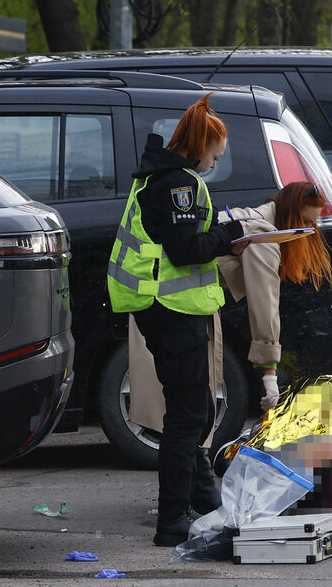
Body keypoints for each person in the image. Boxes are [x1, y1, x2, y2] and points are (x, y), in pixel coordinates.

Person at [106, 95, 247, 546]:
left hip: (163, 307)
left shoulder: (159, 178)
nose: (214, 165)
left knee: (198, 409)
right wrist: (232, 234)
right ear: (200, 146)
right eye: (215, 156)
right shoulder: (177, 185)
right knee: (187, 416)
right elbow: (186, 250)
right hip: (169, 309)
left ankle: (203, 499)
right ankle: (172, 520)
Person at [215, 181, 332, 410]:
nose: (309, 232)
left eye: (314, 224)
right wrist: (270, 377)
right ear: (290, 215)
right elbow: (265, 304)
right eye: (306, 223)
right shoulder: (263, 235)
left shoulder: (253, 220)